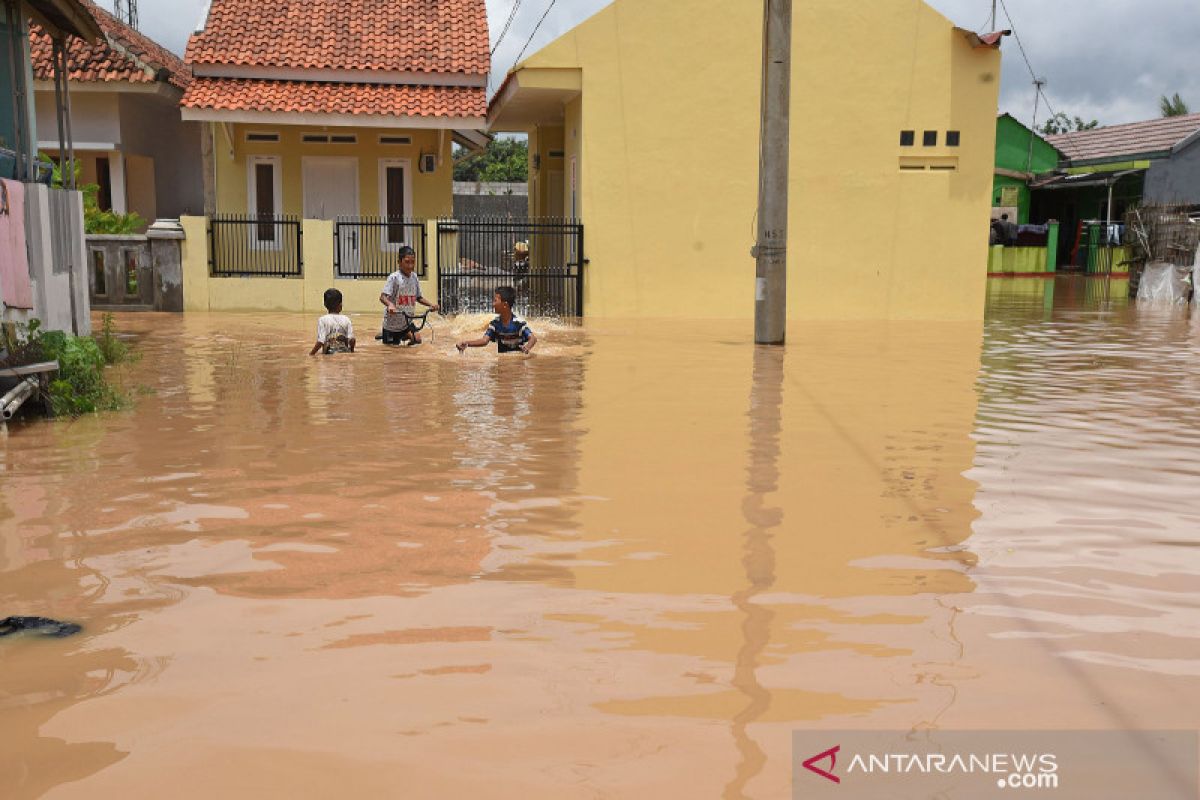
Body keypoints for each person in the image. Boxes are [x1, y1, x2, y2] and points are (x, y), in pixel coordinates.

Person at [379, 245, 439, 345]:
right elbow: (382, 297)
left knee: (417, 340)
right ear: (399, 262)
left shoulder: (414, 277)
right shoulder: (394, 278)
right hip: (391, 326)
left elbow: (418, 297)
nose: (410, 266)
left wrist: (431, 305)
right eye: (407, 262)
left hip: (407, 323)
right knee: (391, 354)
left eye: (413, 262)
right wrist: (390, 305)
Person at [456, 286, 538, 355]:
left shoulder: (518, 323)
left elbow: (533, 338)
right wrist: (466, 343)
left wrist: (527, 347)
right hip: (502, 364)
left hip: (518, 364)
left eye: (495, 301)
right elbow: (484, 341)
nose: (493, 304)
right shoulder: (495, 324)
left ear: (505, 305)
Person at [310, 288, 355, 355]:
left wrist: (311, 354)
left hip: (329, 353)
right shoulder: (347, 319)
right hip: (344, 352)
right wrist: (352, 351)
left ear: (325, 304)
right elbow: (352, 340)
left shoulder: (322, 320)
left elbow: (321, 341)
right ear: (340, 305)